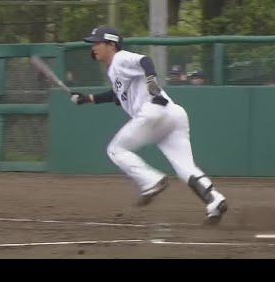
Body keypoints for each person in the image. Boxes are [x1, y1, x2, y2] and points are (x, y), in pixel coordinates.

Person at [69, 26, 228, 225]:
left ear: (111, 44)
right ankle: (215, 201)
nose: (93, 47)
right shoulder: (115, 70)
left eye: (97, 42)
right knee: (186, 168)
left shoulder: (120, 58)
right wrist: (88, 98)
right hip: (173, 114)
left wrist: (151, 79)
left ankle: (150, 181)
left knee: (115, 149)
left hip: (154, 111)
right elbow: (116, 95)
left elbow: (144, 60)